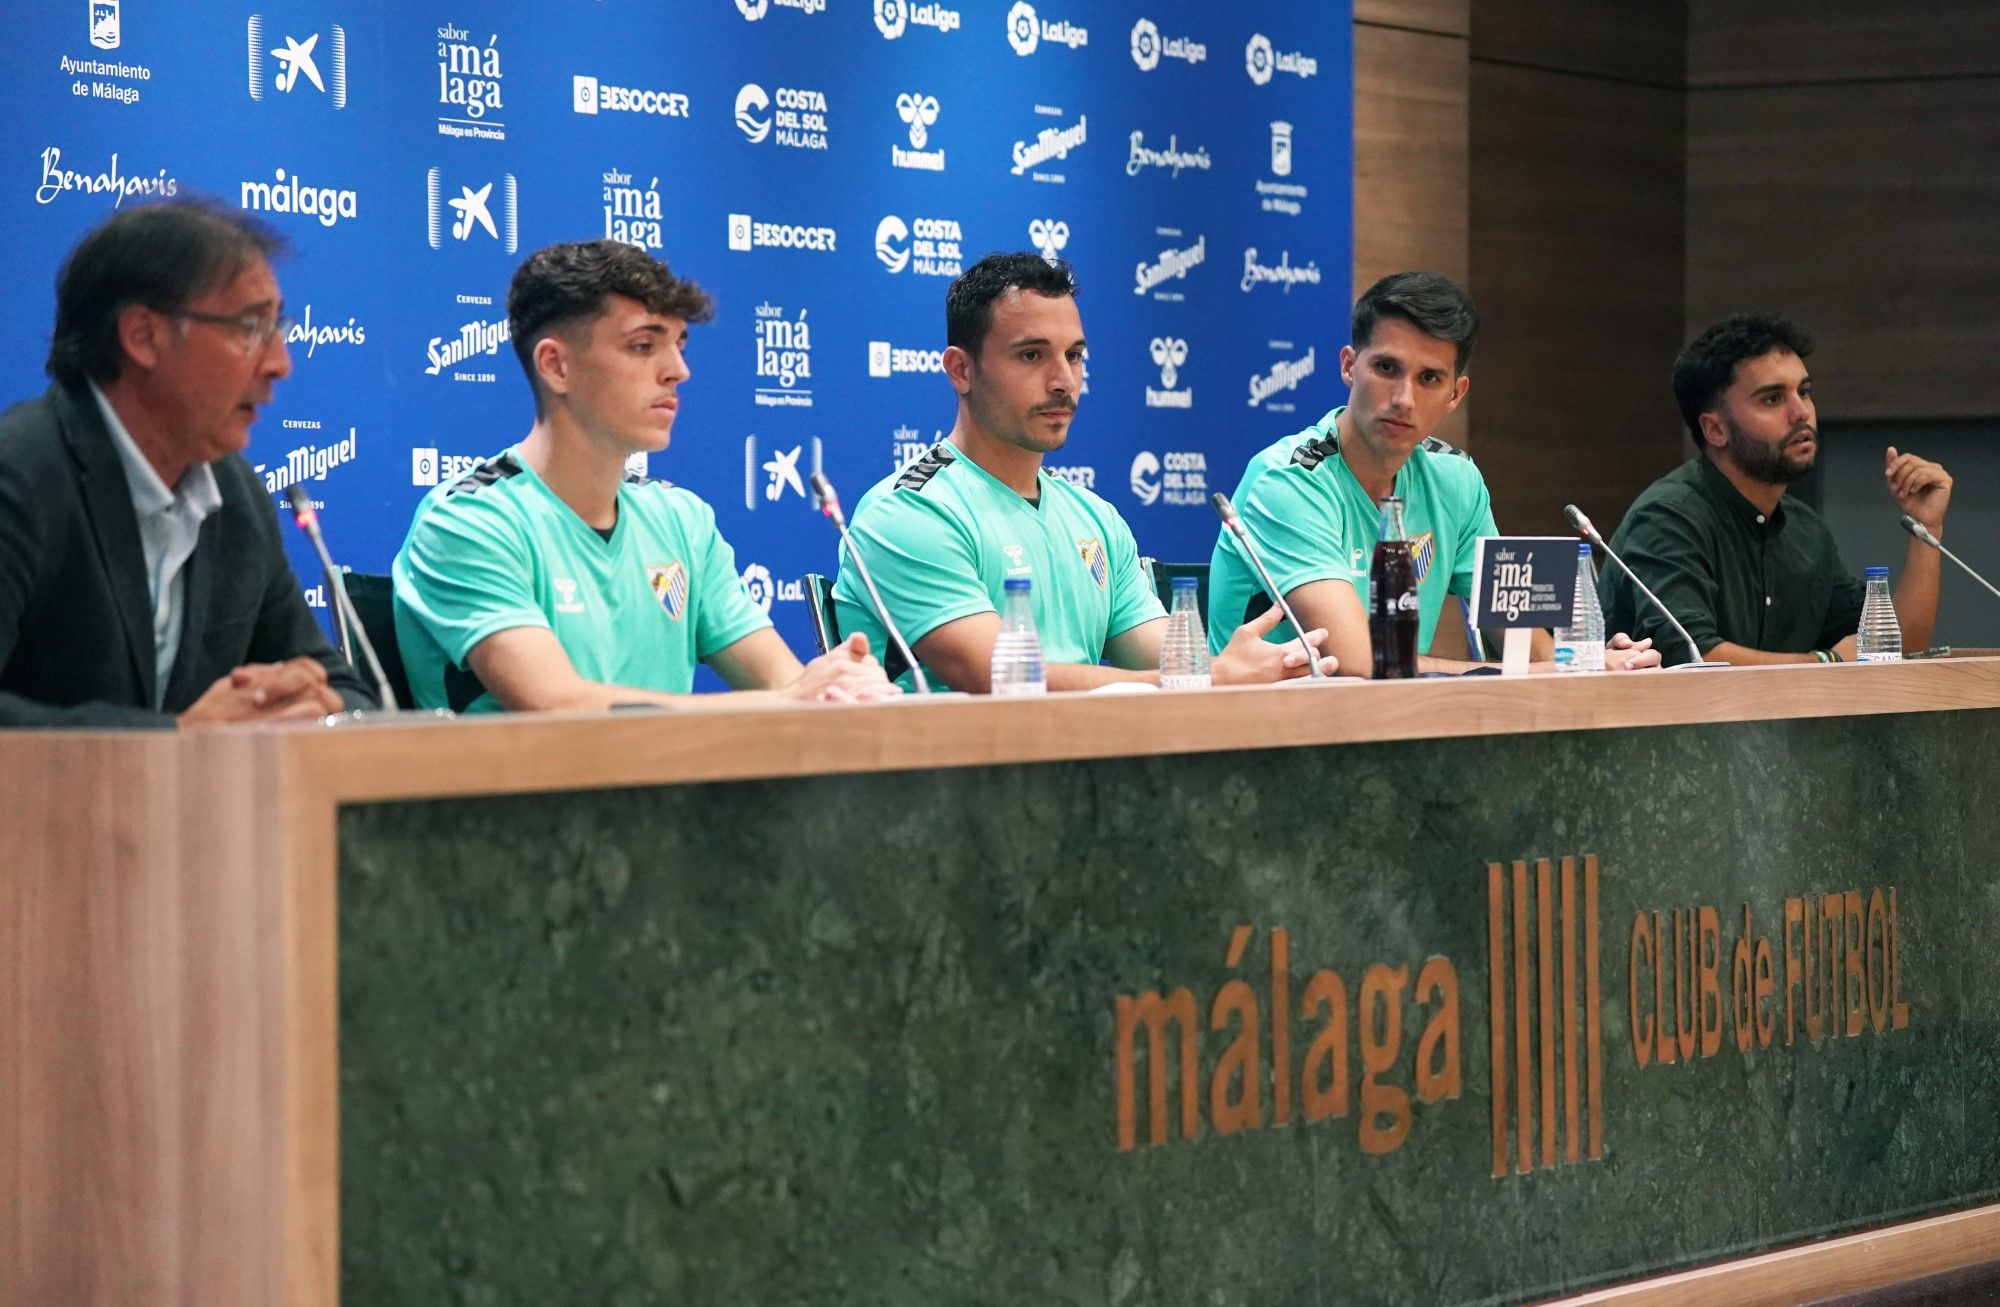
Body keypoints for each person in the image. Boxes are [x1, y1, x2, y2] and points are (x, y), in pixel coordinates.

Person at [393, 240, 896, 712]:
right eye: (642, 346)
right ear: (556, 367)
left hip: (669, 802)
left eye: (679, 343)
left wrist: (843, 686)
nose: (678, 369)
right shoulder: (466, 521)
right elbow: (555, 706)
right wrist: (789, 700)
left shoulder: (681, 520)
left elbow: (783, 680)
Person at [832, 252, 1327, 692]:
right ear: (961, 370)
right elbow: (999, 677)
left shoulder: (1095, 518)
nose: (1063, 381)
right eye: (1032, 355)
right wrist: (1206, 676)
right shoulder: (910, 511)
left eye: (1074, 356)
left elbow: (1162, 656)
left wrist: (1232, 668)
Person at [0, 200, 372, 729]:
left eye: (277, 325)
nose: (280, 363)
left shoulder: (233, 493)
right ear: (143, 337)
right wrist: (175, 741)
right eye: (250, 326)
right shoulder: (20, 476)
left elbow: (343, 688)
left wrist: (307, 704)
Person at [1206, 271, 1658, 675]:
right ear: (1348, 366)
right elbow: (1359, 662)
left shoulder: (1456, 481)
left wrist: (1590, 663)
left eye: (1429, 378)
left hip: (1397, 732)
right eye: (1386, 368)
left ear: (1455, 393)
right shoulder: (1287, 481)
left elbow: (1519, 637)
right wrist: (1528, 672)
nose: (1404, 398)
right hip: (1273, 736)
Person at [1601, 313, 1951, 667]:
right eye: (1772, 399)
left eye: (1805, 392)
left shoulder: (1806, 531)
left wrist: (1926, 528)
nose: (1801, 412)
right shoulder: (1669, 518)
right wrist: (1827, 661)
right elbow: (1694, 660)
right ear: (1715, 429)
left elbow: (1887, 649)